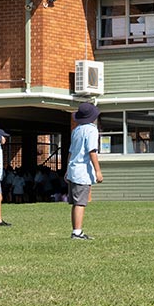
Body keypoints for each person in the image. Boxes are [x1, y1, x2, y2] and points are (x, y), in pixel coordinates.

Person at [66, 103, 103, 240]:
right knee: (81, 203)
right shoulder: (92, 130)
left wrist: (67, 170)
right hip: (82, 171)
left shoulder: (76, 130)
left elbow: (70, 152)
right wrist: (98, 171)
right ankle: (77, 232)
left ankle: (76, 230)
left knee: (76, 203)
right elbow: (92, 151)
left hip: (73, 169)